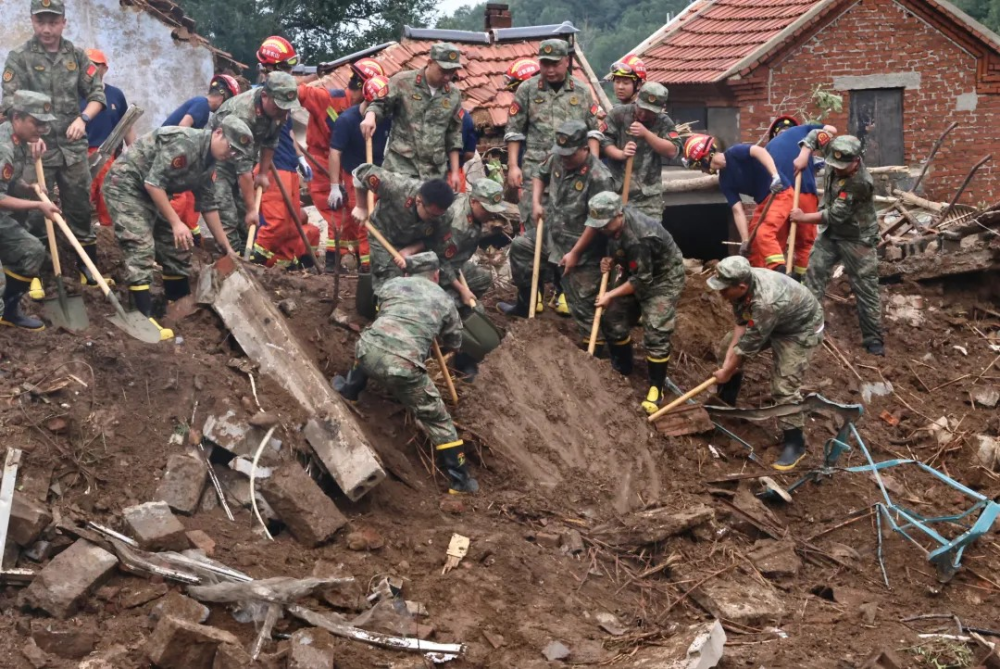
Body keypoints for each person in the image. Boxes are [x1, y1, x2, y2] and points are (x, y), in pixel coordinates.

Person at [332, 251, 478, 495]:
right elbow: (453, 341)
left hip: (367, 349)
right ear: (436, 275)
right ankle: (460, 481)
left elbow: (381, 308)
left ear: (408, 272)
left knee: (372, 346)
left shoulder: (393, 284)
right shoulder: (444, 300)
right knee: (438, 420)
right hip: (403, 366)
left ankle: (350, 390)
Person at [104, 116, 250, 341]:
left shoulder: (210, 161)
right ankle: (141, 316)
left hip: (154, 193)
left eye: (235, 152)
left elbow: (208, 204)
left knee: (177, 247)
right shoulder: (186, 145)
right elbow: (153, 183)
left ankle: (177, 303)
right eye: (230, 147)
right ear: (218, 133)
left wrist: (227, 248)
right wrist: (175, 222)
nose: (230, 154)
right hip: (127, 185)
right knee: (141, 245)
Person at [3, 0, 107, 286]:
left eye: (52, 22)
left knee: (79, 207)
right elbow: (9, 102)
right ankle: (34, 272)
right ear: (32, 22)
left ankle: (88, 269)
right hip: (36, 149)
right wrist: (30, 137)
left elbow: (98, 94)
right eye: (40, 22)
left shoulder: (76, 56)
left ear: (63, 22)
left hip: (72, 149)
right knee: (34, 209)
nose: (46, 29)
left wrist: (82, 119)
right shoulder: (20, 57)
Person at [499, 121, 615, 349]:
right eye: (561, 154)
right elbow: (540, 175)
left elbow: (596, 223)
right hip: (553, 234)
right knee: (522, 247)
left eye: (570, 155)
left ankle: (599, 358)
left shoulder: (599, 177)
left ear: (585, 149)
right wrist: (535, 203)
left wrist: (575, 253)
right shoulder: (557, 158)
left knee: (584, 307)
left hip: (584, 247)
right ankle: (526, 304)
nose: (564, 159)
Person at [709, 256, 824, 471]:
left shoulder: (765, 303)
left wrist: (728, 369)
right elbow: (741, 327)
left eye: (724, 290)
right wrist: (727, 365)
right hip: (778, 319)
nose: (720, 293)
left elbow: (746, 347)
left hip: (800, 328)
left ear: (741, 286)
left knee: (784, 386)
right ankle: (726, 402)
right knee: (727, 348)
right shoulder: (741, 288)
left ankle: (795, 443)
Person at [582, 191, 686, 414]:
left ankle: (656, 388)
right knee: (612, 318)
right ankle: (622, 367)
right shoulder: (613, 225)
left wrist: (610, 294)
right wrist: (611, 259)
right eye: (598, 225)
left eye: (604, 225)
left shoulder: (640, 236)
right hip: (636, 272)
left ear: (618, 215)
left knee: (656, 330)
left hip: (662, 279)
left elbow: (642, 280)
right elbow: (619, 246)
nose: (601, 230)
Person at [790, 132, 884, 356]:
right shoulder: (834, 148)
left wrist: (803, 217)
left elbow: (835, 215)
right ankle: (809, 329)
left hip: (857, 237)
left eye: (844, 166)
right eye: (835, 164)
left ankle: (873, 341)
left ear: (857, 160)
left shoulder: (860, 183)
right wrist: (805, 154)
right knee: (813, 272)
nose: (838, 168)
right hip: (831, 235)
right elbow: (816, 134)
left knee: (865, 287)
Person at [504, 39, 602, 233]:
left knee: (570, 227)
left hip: (573, 172)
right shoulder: (527, 90)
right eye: (545, 64)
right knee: (535, 227)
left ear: (566, 61)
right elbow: (514, 131)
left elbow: (592, 132)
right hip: (536, 169)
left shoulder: (581, 91)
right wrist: (514, 166)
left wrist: (595, 165)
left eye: (555, 64)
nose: (549, 70)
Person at [250, 36, 318, 270]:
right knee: (276, 222)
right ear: (271, 68)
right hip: (272, 165)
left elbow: (287, 132)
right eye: (286, 68)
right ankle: (254, 263)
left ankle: (284, 266)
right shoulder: (262, 97)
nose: (290, 73)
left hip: (287, 163)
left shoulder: (283, 96)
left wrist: (299, 157)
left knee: (291, 222)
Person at [208, 70, 295, 251]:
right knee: (227, 213)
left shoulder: (278, 112)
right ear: (265, 96)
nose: (283, 111)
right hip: (219, 162)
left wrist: (263, 173)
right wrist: (251, 210)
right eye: (279, 106)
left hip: (244, 160)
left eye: (286, 107)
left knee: (243, 215)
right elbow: (244, 171)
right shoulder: (244, 116)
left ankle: (244, 260)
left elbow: (270, 141)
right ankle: (229, 261)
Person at [360, 43, 464, 190]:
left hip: (434, 172)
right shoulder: (402, 82)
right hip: (400, 167)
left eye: (452, 72)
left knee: (430, 211)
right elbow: (379, 104)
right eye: (443, 71)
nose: (447, 77)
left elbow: (454, 135)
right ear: (430, 63)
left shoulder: (453, 95)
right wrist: (370, 116)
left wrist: (454, 172)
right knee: (394, 211)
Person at [0, 91, 60, 330]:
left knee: (32, 251)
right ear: (17, 118)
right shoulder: (4, 146)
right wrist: (37, 205)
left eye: (45, 125)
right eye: (36, 123)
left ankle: (9, 312)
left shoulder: (20, 141)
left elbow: (9, 182)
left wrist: (29, 188)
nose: (41, 130)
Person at [350, 163, 455, 295]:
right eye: (431, 215)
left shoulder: (445, 215)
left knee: (424, 279)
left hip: (413, 242)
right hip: (383, 235)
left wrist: (410, 250)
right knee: (392, 278)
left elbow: (435, 240)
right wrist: (361, 206)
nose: (434, 219)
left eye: (438, 215)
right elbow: (360, 171)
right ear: (418, 201)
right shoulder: (397, 187)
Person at [161, 74, 241, 246]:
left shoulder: (203, 110)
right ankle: (165, 233)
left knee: (191, 197)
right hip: (172, 153)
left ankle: (189, 232)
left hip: (176, 154)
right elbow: (183, 128)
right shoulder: (201, 104)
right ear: (223, 96)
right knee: (180, 199)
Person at [683, 134, 788, 257]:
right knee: (753, 243)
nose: (702, 171)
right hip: (764, 202)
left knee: (764, 234)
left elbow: (759, 151)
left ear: (705, 158)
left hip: (780, 193)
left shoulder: (735, 152)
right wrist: (745, 241)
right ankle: (762, 273)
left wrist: (775, 176)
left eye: (699, 166)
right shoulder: (724, 182)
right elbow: (737, 210)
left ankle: (778, 272)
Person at [756, 119, 837, 277]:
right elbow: (831, 129)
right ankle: (803, 281)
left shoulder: (768, 148)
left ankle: (776, 279)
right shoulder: (804, 130)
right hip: (802, 193)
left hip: (779, 196)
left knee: (773, 240)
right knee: (805, 241)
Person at [329, 68, 391, 272]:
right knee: (366, 221)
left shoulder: (387, 118)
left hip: (380, 174)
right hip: (354, 175)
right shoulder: (346, 120)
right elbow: (335, 152)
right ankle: (368, 266)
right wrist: (334, 186)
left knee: (380, 220)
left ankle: (368, 259)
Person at [600, 81, 681, 219]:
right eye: (641, 108)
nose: (643, 114)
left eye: (649, 112)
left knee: (650, 236)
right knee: (618, 237)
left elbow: (673, 151)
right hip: (617, 191)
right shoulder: (619, 114)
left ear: (662, 108)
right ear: (637, 99)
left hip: (648, 195)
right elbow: (604, 141)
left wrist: (646, 134)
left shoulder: (664, 122)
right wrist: (621, 154)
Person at [81, 49, 134, 229]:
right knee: (82, 195)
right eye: (86, 64)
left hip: (109, 154)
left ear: (104, 68)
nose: (90, 69)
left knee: (107, 195)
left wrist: (134, 152)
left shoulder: (116, 95)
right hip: (81, 153)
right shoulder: (74, 95)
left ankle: (107, 234)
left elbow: (126, 124)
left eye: (95, 65)